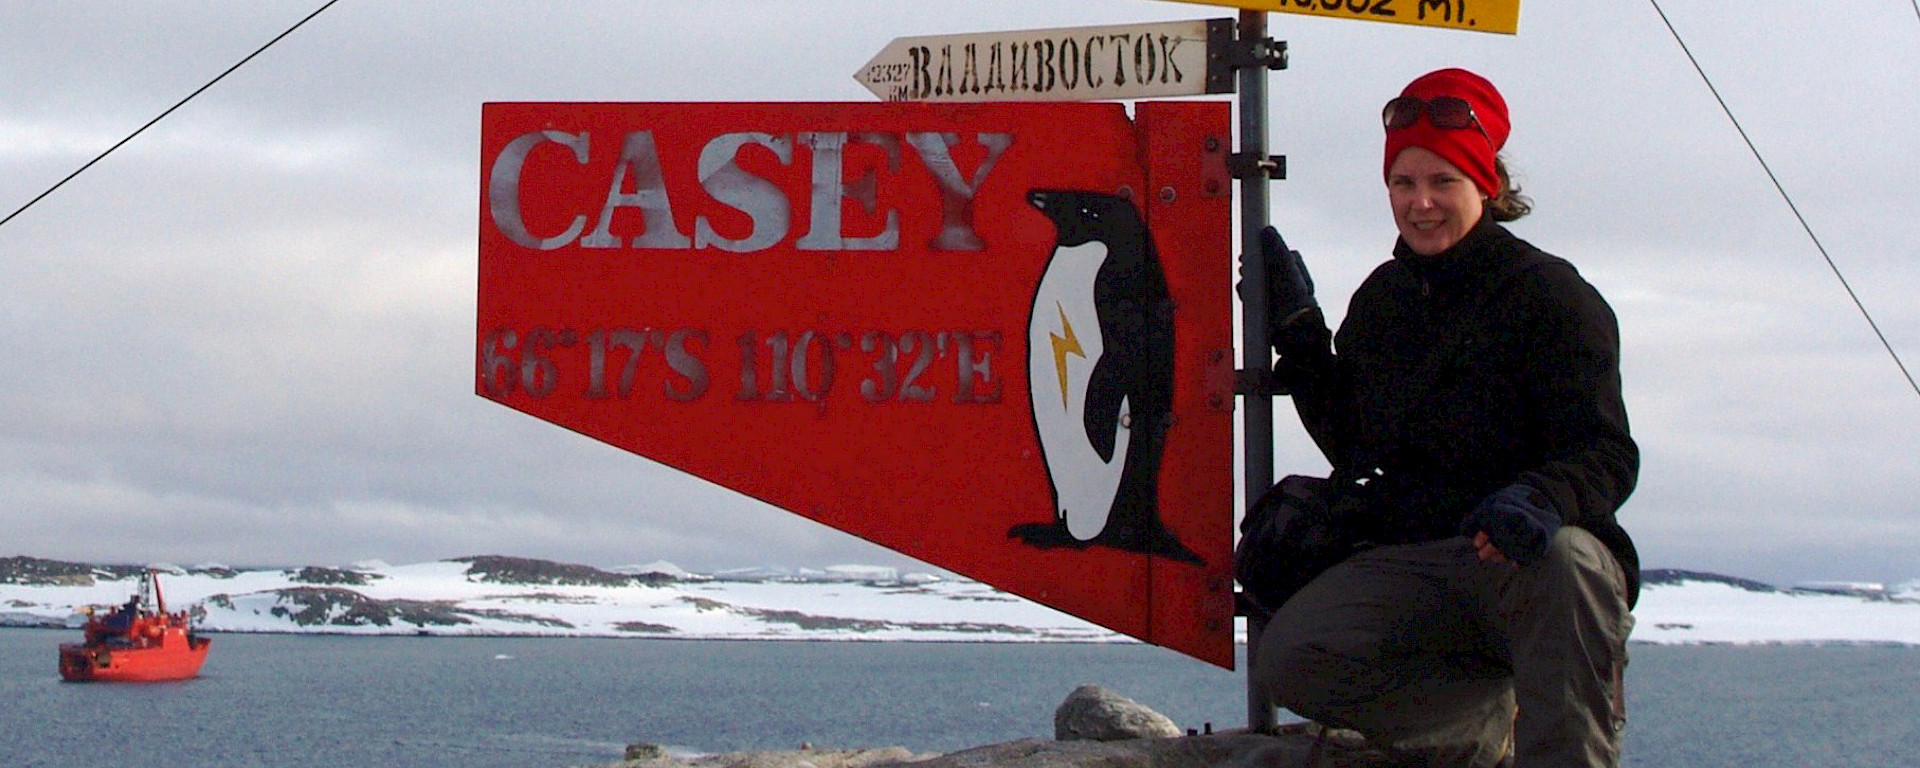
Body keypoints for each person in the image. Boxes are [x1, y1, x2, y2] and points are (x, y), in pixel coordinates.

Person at [1249, 68, 1640, 767]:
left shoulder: (1553, 296)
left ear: (1486, 185)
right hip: (1420, 558)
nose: (1421, 203)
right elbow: (1358, 440)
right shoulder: (1384, 300)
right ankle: (1472, 726)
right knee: (1293, 653)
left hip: (1527, 563)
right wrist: (1302, 334)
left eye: (1443, 183)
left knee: (1567, 559)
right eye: (1404, 184)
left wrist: (1539, 499)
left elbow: (1606, 453)